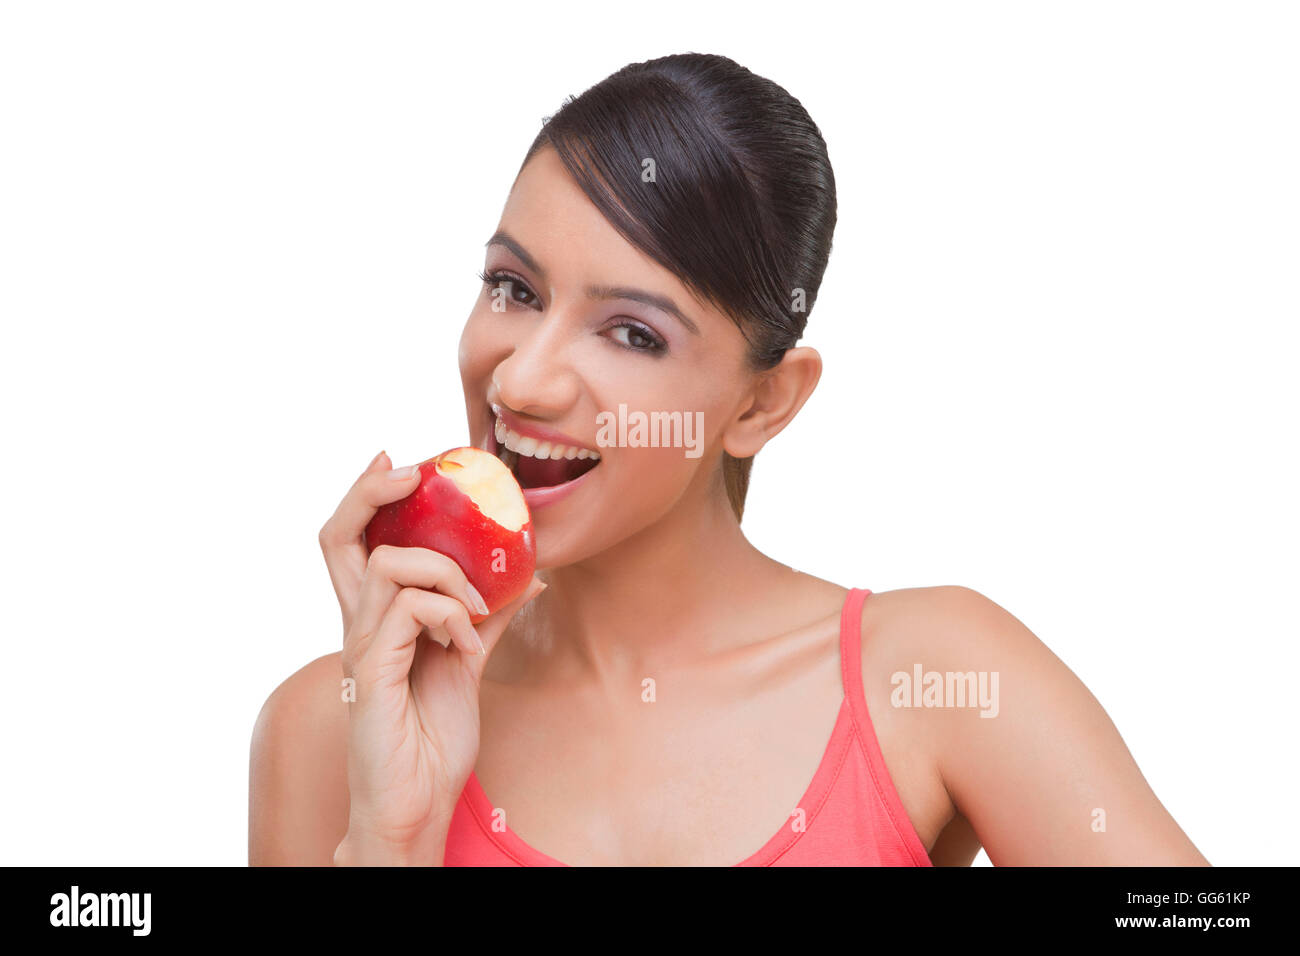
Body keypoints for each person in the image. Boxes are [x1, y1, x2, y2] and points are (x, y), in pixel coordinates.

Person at [249, 52, 1208, 866]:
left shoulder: (936, 677)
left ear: (762, 402)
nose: (525, 381)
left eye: (631, 333)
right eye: (513, 287)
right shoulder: (328, 729)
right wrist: (386, 840)